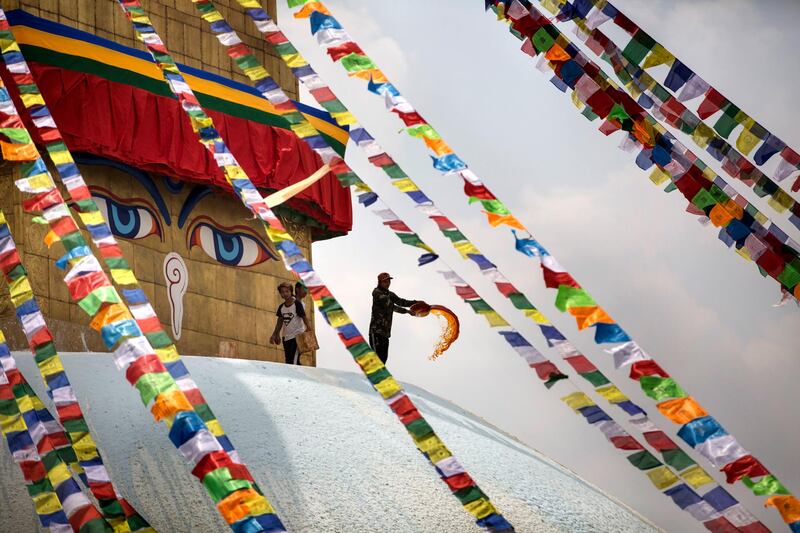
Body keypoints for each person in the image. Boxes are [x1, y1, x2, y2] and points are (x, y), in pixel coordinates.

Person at [369, 273, 418, 364]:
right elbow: (391, 306)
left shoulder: (390, 294)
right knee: (377, 359)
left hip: (385, 333)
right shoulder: (376, 292)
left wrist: (416, 303)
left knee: (383, 360)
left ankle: (380, 377)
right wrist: (407, 311)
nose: (387, 283)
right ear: (380, 282)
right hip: (376, 331)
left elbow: (401, 302)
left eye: (389, 281)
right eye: (385, 281)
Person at [270, 281, 311, 365]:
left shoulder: (297, 304)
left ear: (291, 292)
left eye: (287, 291)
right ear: (280, 294)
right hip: (286, 337)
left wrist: (309, 328)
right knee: (289, 360)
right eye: (282, 292)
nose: (285, 294)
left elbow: (304, 317)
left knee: (294, 360)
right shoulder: (281, 307)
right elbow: (280, 321)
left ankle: (296, 376)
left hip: (297, 336)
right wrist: (275, 333)